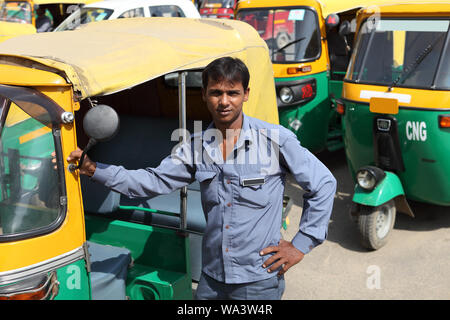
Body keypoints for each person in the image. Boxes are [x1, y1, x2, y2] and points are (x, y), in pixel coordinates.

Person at [67, 57, 337, 300]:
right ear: (205, 96)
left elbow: (323, 183)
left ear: (246, 95)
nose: (224, 101)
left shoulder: (275, 140)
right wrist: (93, 169)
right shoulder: (195, 146)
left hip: (258, 279)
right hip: (211, 279)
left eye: (232, 93)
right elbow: (151, 181)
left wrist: (301, 244)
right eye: (216, 93)